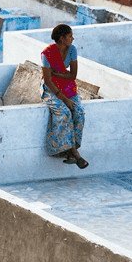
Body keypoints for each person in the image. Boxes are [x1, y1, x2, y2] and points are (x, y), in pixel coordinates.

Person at [41, 23, 88, 168]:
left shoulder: (72, 50)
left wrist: (58, 74)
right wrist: (64, 99)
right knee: (65, 113)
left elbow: (73, 75)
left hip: (68, 88)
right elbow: (48, 80)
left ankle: (71, 152)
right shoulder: (47, 54)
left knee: (79, 112)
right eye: (69, 36)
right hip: (51, 90)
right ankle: (74, 154)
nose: (72, 39)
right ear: (62, 38)